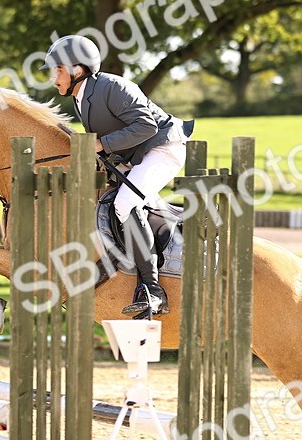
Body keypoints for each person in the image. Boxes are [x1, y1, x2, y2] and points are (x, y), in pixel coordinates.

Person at [44, 34, 194, 318]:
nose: (54, 77)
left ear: (78, 69)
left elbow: (146, 127)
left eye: (58, 69)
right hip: (137, 155)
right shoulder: (80, 98)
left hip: (163, 147)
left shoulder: (112, 86)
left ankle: (154, 291)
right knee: (111, 200)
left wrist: (100, 144)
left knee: (125, 204)